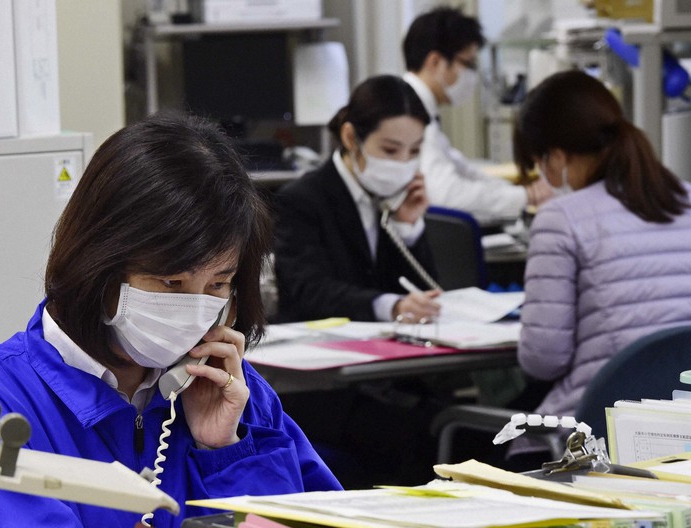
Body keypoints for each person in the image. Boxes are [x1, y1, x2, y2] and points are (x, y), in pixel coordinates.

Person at [0, 113, 341, 528]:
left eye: (218, 284)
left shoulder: (236, 393)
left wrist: (224, 449)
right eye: (170, 281)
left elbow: (323, 517)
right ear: (97, 265)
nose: (194, 309)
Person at [514, 70, 691, 446]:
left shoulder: (561, 218)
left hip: (598, 437)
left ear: (557, 156)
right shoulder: (687, 200)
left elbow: (544, 359)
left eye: (539, 162)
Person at [274, 74, 440, 324]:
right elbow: (311, 291)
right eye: (390, 150)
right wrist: (391, 307)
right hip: (321, 347)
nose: (403, 163)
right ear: (351, 138)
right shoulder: (301, 199)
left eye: (414, 150)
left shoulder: (397, 199)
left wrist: (407, 227)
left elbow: (425, 292)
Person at [402, 6, 553, 223]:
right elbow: (446, 194)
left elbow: (460, 168)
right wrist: (527, 195)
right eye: (468, 64)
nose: (472, 76)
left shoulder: (420, 107)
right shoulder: (407, 110)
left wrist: (519, 191)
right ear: (435, 62)